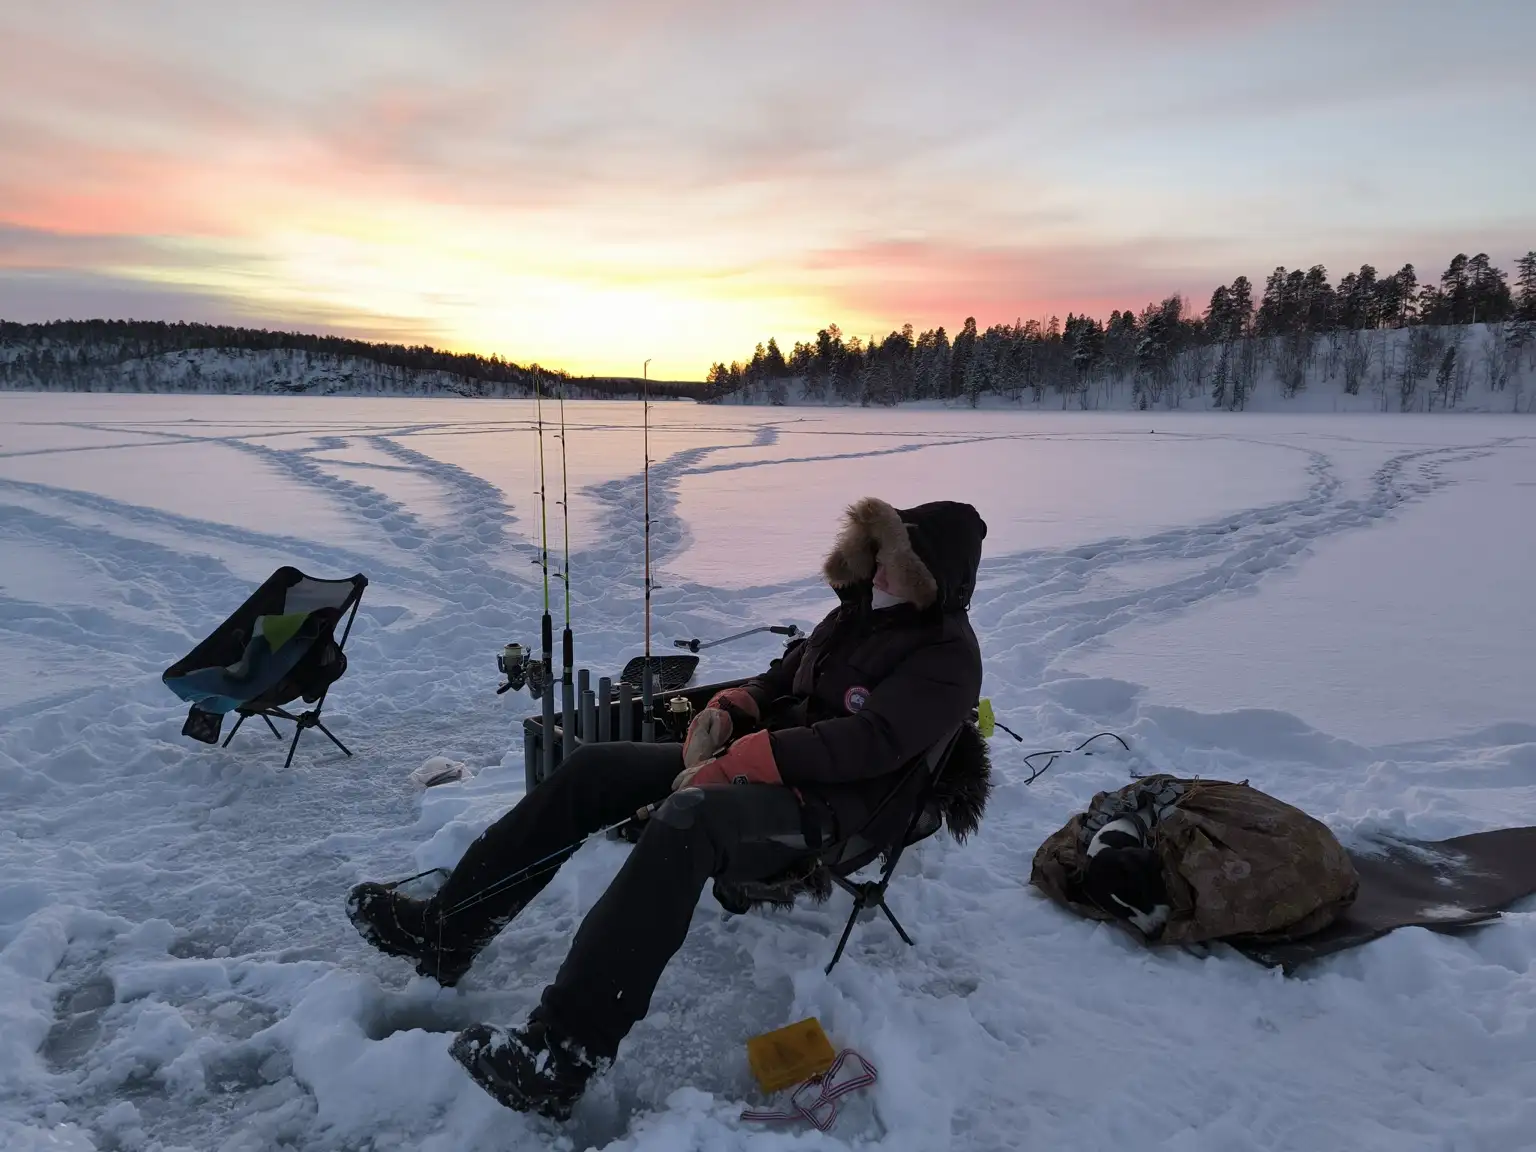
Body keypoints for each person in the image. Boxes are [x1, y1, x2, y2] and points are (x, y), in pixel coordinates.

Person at [347, 497, 987, 1119]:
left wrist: (751, 758)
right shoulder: (855, 614)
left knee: (687, 822)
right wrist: (730, 708)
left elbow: (870, 743)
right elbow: (780, 680)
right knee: (594, 768)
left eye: (896, 562)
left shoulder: (948, 659)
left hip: (834, 812)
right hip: (761, 763)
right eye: (879, 553)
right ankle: (447, 930)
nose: (878, 570)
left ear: (931, 579)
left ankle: (565, 1052)